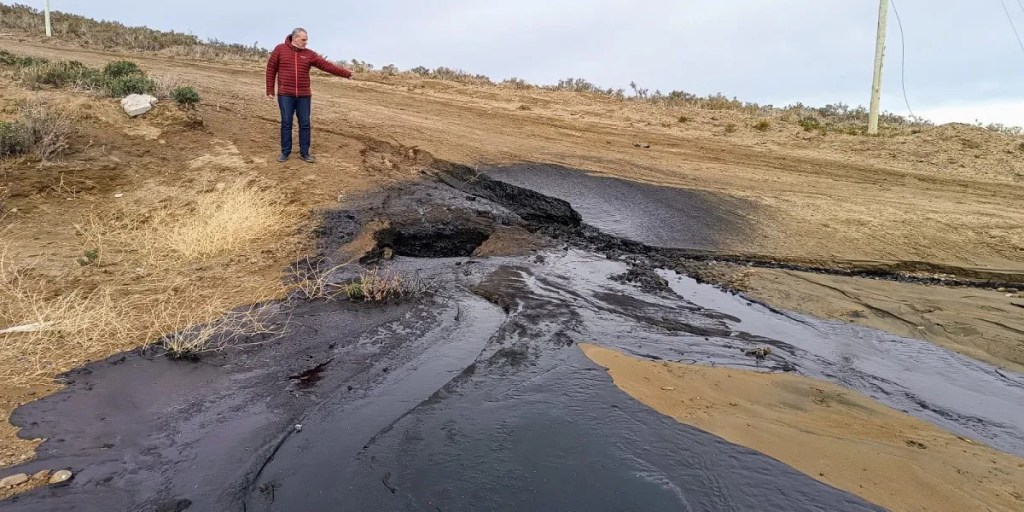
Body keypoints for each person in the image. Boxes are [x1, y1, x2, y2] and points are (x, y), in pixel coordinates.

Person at [265, 28, 353, 163]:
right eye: (303, 39)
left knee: (305, 124)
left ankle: (305, 153)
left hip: (304, 95)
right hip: (285, 95)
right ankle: (285, 152)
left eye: (306, 40)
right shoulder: (280, 49)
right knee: (286, 123)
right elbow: (271, 69)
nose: (306, 42)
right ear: (295, 38)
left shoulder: (309, 54)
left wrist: (346, 73)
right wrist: (270, 90)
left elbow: (327, 66)